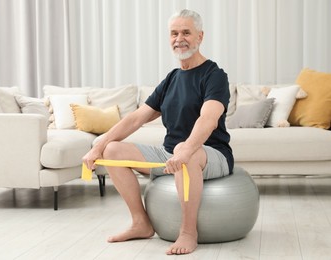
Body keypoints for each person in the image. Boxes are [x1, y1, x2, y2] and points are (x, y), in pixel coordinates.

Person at [82, 9, 233, 255]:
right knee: (112, 149)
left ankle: (187, 232)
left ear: (200, 36)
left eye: (186, 32)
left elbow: (208, 119)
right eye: (174, 33)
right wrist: (99, 144)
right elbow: (136, 118)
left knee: (190, 154)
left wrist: (186, 148)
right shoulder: (172, 78)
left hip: (211, 154)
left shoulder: (214, 75)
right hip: (170, 154)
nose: (179, 39)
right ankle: (141, 223)